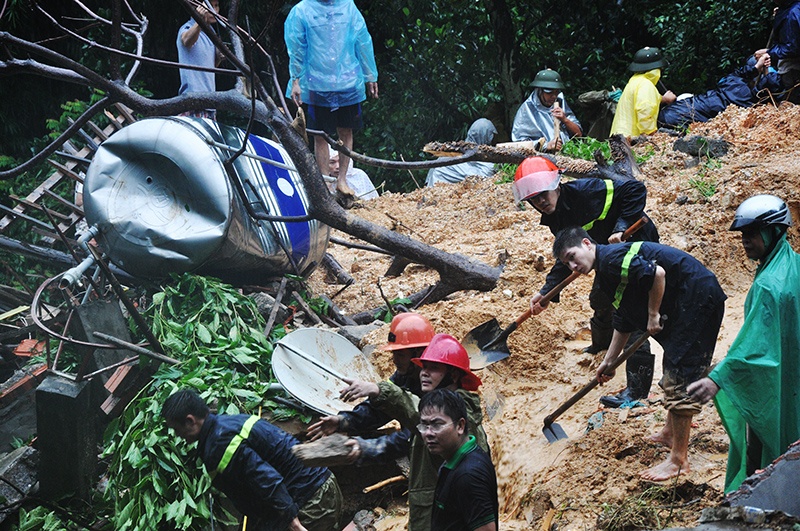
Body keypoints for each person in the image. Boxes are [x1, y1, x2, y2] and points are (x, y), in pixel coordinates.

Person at [553, 227, 727, 481]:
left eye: (572, 256)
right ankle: (670, 433)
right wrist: (609, 361)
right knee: (674, 365)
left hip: (698, 298)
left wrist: (653, 314)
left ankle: (679, 460)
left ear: (587, 244)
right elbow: (623, 318)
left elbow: (657, 273)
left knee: (680, 374)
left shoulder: (611, 260)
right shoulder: (606, 272)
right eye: (566, 263)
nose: (573, 266)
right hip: (688, 300)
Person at [514, 156, 660, 408]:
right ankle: (602, 345)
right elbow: (565, 256)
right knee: (600, 298)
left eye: (543, 194)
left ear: (557, 185)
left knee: (630, 311)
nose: (540, 202)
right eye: (533, 199)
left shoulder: (587, 190)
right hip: (604, 255)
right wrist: (547, 292)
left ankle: (637, 391)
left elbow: (635, 189)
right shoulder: (556, 217)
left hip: (635, 245)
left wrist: (621, 226)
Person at [687, 194, 800, 492]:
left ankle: (757, 498)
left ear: (774, 231)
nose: (745, 240)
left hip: (776, 382)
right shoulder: (794, 264)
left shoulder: (768, 285)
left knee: (765, 447)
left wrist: (717, 378)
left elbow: (754, 346)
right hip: (794, 374)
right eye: (742, 234)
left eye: (752, 232)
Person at [338, 334, 489, 531]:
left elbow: (416, 412)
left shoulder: (461, 414)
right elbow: (407, 439)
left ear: (453, 375)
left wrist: (378, 390)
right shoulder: (433, 413)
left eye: (433, 368)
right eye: (423, 367)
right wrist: (364, 448)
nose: (424, 373)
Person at [162, 389, 342, 531]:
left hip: (311, 501)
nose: (177, 435)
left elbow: (264, 478)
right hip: (321, 487)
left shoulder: (219, 444)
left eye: (176, 429)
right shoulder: (229, 423)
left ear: (190, 421)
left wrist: (292, 521)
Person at [306, 312, 433, 462]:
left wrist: (366, 448)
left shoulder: (439, 388)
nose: (394, 360)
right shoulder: (404, 376)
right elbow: (379, 410)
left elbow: (411, 438)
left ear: (420, 353)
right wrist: (344, 421)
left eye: (400, 355)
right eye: (394, 354)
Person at [284, 0, 379, 199]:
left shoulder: (348, 6)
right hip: (316, 82)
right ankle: (326, 182)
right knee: (320, 135)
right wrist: (296, 80)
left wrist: (370, 75)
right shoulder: (302, 10)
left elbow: (362, 40)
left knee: (346, 130)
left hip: (347, 81)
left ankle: (342, 180)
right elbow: (296, 47)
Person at [419, 389, 498, 531]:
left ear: (460, 426)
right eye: (424, 425)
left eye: (437, 424)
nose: (428, 433)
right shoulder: (458, 459)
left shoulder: (468, 475)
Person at [658, 55, 781, 128]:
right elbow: (771, 84)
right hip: (675, 118)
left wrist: (756, 67)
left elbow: (739, 73)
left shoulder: (730, 81)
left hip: (673, 110)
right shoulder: (748, 100)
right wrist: (766, 71)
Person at [611, 47, 677, 137]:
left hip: (620, 136)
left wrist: (664, 99)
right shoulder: (646, 85)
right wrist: (652, 134)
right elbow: (644, 110)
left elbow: (645, 100)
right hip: (630, 137)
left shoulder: (634, 81)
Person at [511, 69, 582, 152]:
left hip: (565, 154)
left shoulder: (559, 101)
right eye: (549, 93)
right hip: (540, 157)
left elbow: (579, 134)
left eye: (556, 92)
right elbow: (519, 144)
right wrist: (546, 146)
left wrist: (565, 120)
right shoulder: (526, 110)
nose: (553, 96)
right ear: (539, 90)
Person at [176, 0, 221, 120]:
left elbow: (209, 67)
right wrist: (199, 21)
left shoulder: (210, 33)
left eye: (216, 6)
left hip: (210, 102)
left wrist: (218, 58)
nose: (214, 10)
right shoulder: (187, 27)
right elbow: (186, 40)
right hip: (194, 100)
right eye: (210, 6)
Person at [426, 118, 498, 186]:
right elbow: (484, 174)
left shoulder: (461, 148)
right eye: (491, 137)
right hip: (438, 185)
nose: (492, 141)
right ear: (484, 136)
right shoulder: (469, 152)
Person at [755, 0, 800, 102]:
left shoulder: (793, 13)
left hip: (793, 70)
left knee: (790, 103)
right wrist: (782, 13)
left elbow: (792, 48)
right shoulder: (790, 9)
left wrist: (769, 52)